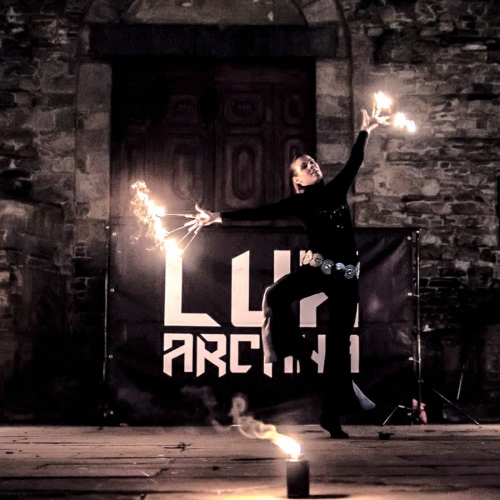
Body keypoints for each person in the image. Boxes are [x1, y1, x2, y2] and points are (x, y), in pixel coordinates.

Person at [196, 109, 381, 438]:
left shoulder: (337, 189)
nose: (313, 166)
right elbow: (261, 212)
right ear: (298, 181)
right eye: (305, 167)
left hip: (346, 279)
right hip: (318, 270)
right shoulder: (298, 204)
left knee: (338, 350)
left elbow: (355, 160)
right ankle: (298, 350)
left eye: (313, 162)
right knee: (277, 293)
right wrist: (218, 217)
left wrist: (365, 130)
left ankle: (330, 417)